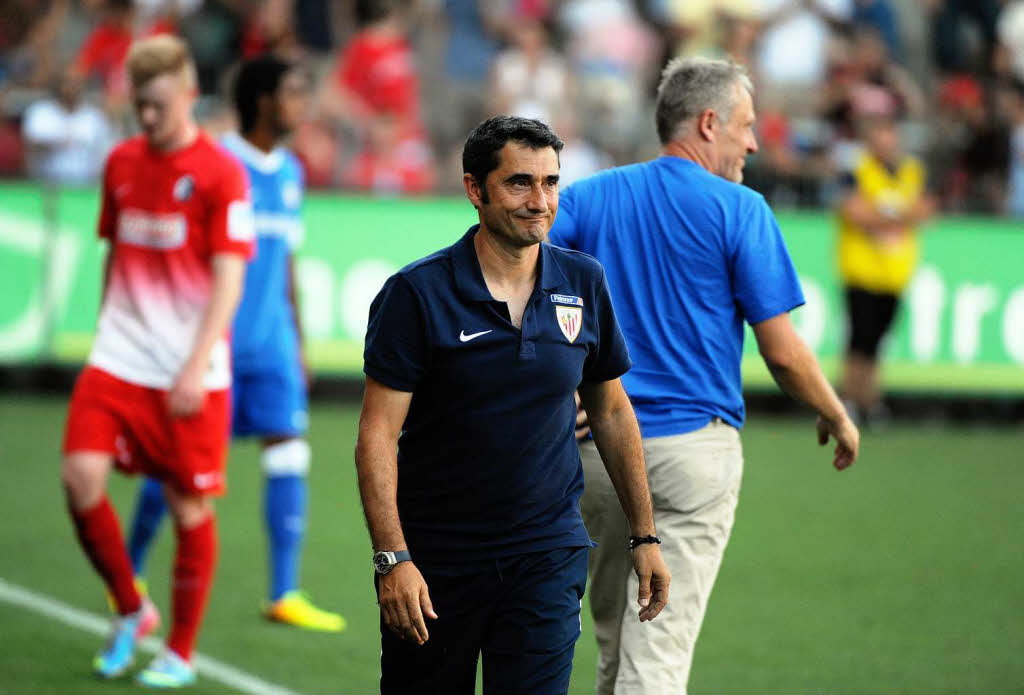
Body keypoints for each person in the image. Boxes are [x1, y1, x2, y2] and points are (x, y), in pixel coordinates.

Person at [547, 56, 860, 695]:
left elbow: (516, 284)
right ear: (709, 123)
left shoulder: (588, 196)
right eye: (746, 126)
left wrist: (560, 391)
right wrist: (834, 410)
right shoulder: (741, 210)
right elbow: (781, 352)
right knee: (653, 664)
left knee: (617, 653)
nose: (753, 141)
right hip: (692, 451)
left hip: (598, 455)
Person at [355, 115, 671, 694]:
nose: (539, 201)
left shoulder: (584, 280)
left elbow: (611, 410)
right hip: (436, 565)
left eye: (551, 183)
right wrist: (391, 559)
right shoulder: (415, 295)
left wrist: (644, 536)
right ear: (475, 189)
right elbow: (376, 436)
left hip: (546, 555)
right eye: (519, 183)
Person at [122, 56, 345, 632]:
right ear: (265, 100)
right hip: (213, 342)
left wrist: (298, 339)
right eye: (295, 91)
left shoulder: (291, 170)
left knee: (291, 450)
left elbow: (287, 258)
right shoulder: (217, 164)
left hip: (272, 345)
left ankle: (284, 592)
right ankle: (129, 572)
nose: (303, 103)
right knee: (177, 464)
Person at [60, 35, 253, 688]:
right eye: (138, 106)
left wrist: (196, 366)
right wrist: (102, 334)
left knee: (187, 506)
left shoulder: (223, 174)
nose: (146, 119)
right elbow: (115, 254)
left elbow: (229, 278)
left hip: (189, 370)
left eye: (158, 106)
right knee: (79, 479)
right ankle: (130, 604)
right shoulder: (119, 162)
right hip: (118, 357)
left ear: (189, 93)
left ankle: (180, 647)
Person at [837, 115, 936, 423]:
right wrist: (898, 217)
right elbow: (853, 211)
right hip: (862, 271)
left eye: (889, 133)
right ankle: (850, 399)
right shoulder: (857, 169)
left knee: (877, 343)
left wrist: (881, 215)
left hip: (894, 275)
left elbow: (927, 209)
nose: (886, 140)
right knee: (858, 340)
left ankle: (870, 399)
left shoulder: (911, 171)